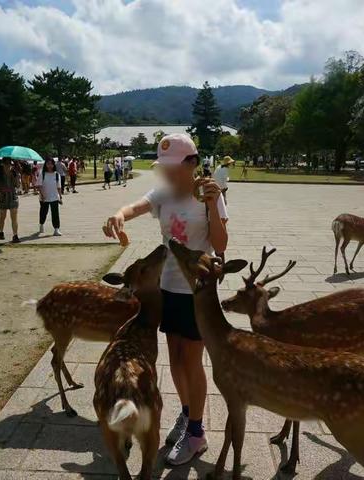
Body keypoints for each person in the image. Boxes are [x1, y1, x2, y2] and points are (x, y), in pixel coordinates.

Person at [103, 133, 228, 465]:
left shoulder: (208, 194)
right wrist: (119, 214)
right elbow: (136, 206)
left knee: (191, 359)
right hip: (167, 287)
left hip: (197, 289)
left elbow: (220, 243)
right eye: (165, 167)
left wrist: (214, 205)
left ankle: (197, 434)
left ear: (192, 163)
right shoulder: (164, 194)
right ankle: (188, 415)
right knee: (174, 357)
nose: (168, 174)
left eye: (174, 167)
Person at [0, 157, 21, 243]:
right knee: (3, 216)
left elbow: (17, 185)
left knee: (14, 217)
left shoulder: (14, 172)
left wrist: (17, 177)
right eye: (6, 164)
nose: (8, 166)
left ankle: (15, 235)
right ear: (3, 164)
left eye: (10, 164)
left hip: (13, 195)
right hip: (2, 196)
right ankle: (1, 232)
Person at [37, 157, 62, 236]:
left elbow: (59, 187)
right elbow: (39, 186)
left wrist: (60, 197)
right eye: (48, 164)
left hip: (54, 197)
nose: (50, 165)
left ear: (53, 164)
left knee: (55, 214)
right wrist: (43, 195)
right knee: (43, 213)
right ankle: (41, 224)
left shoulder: (57, 175)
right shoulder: (42, 174)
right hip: (44, 197)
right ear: (46, 164)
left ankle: (56, 229)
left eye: (51, 164)